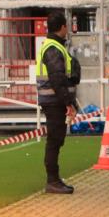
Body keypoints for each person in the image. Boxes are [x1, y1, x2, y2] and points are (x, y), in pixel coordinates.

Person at [35, 11, 79, 194]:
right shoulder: (53, 48)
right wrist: (69, 103)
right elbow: (58, 78)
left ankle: (54, 179)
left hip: (53, 100)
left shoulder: (52, 46)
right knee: (54, 140)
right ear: (63, 27)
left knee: (56, 139)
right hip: (54, 101)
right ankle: (52, 180)